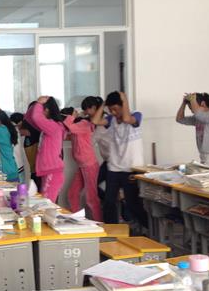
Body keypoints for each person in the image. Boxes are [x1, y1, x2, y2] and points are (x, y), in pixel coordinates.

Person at [102, 91, 147, 227]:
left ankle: (146, 227)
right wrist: (103, 104)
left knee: (132, 203)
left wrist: (124, 99)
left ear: (123, 105)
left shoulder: (136, 115)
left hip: (132, 168)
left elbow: (127, 119)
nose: (113, 112)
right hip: (114, 167)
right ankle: (111, 229)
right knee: (109, 201)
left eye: (116, 109)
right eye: (110, 110)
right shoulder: (111, 119)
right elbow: (95, 121)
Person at [61, 97, 104, 222]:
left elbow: (69, 126)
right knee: (72, 194)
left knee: (92, 199)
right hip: (82, 166)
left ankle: (100, 225)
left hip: (89, 165)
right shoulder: (78, 126)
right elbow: (65, 132)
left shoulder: (84, 124)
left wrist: (72, 116)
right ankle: (77, 222)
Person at [24, 96, 66, 202]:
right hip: (49, 171)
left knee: (47, 205)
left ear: (46, 110)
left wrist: (39, 103)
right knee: (46, 204)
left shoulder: (54, 126)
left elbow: (36, 117)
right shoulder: (48, 127)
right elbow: (29, 118)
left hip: (52, 172)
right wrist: (37, 104)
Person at [176, 92, 209, 168]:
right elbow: (180, 119)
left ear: (203, 104)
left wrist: (192, 98)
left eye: (192, 108)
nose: (192, 111)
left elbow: (199, 115)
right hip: (204, 156)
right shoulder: (199, 117)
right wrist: (184, 103)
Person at [10, 112, 30, 183]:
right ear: (20, 122)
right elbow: (27, 132)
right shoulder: (17, 130)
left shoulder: (6, 129)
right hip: (18, 164)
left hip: (12, 165)